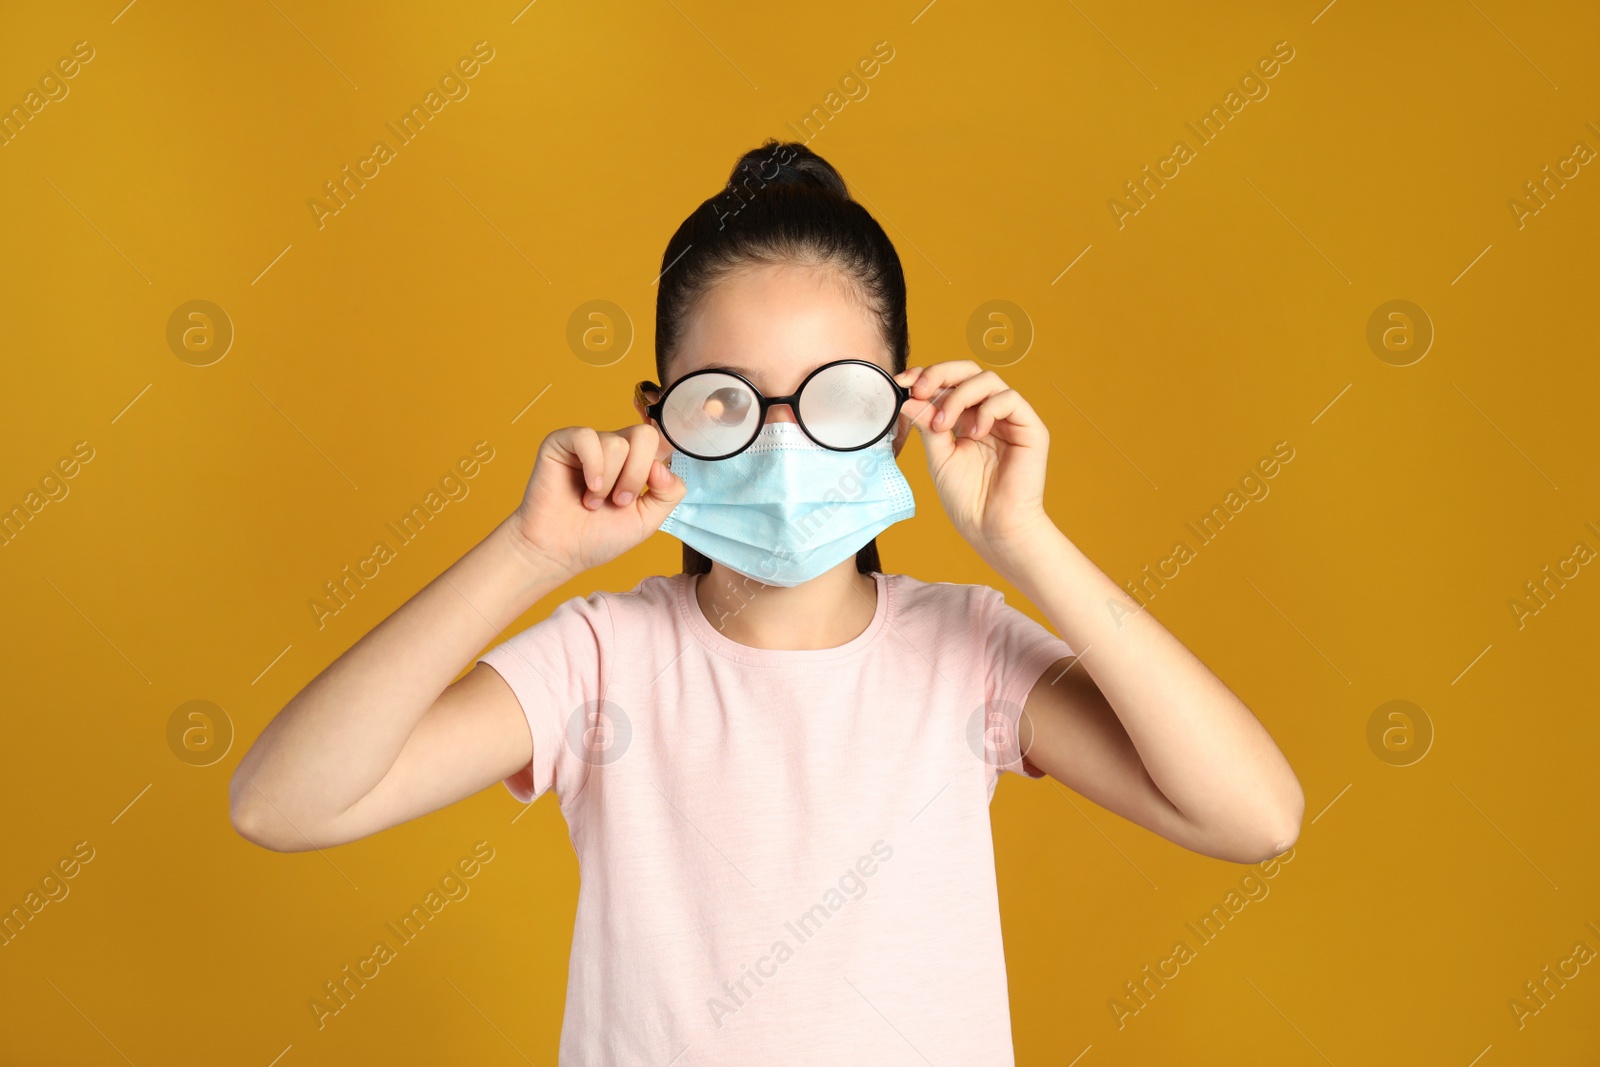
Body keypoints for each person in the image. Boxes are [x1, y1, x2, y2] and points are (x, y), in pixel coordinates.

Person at [229, 139, 1304, 1064]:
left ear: (897, 416)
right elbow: (282, 802)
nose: (782, 437)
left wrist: (1026, 542)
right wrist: (527, 551)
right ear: (659, 418)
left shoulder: (966, 650)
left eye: (833, 394)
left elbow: (1254, 816)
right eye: (726, 400)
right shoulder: (602, 659)